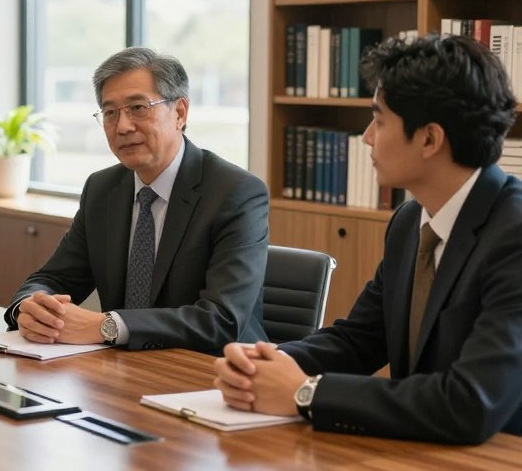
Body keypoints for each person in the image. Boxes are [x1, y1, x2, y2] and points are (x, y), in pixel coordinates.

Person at [215, 34, 522, 444]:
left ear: (430, 139)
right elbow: (358, 341)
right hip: (423, 455)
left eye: (378, 120)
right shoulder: (410, 222)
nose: (367, 138)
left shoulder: (514, 235)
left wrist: (306, 393)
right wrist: (265, 363)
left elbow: (470, 402)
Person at [5, 47, 269, 352]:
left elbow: (221, 319)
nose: (123, 126)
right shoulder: (102, 189)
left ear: (180, 112)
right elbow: (54, 278)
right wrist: (29, 308)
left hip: (212, 373)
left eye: (138, 108)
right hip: (124, 370)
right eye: (110, 113)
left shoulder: (235, 193)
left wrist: (108, 325)